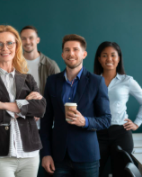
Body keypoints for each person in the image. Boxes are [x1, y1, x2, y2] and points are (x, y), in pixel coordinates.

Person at [0, 25, 46, 177]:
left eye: (9, 43)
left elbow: (40, 109)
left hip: (29, 153)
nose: (4, 48)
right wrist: (24, 108)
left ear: (17, 46)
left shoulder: (27, 78)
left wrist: (0, 104)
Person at [40, 34, 111, 177]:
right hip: (58, 157)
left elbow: (106, 119)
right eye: (67, 50)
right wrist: (46, 153)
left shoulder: (97, 82)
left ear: (84, 54)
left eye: (75, 49)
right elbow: (46, 122)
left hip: (87, 156)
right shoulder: (52, 81)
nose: (71, 53)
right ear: (62, 54)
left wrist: (85, 121)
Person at [94, 41, 142, 177]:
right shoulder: (91, 80)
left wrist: (137, 123)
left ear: (119, 58)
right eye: (104, 55)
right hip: (97, 134)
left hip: (121, 133)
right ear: (99, 59)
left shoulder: (128, 81)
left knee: (122, 173)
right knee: (93, 172)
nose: (109, 59)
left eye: (113, 55)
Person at [20, 25, 60, 129]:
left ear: (37, 40)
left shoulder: (50, 65)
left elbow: (59, 95)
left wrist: (39, 110)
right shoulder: (14, 65)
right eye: (23, 38)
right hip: (20, 123)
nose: (27, 41)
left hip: (45, 125)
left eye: (31, 38)